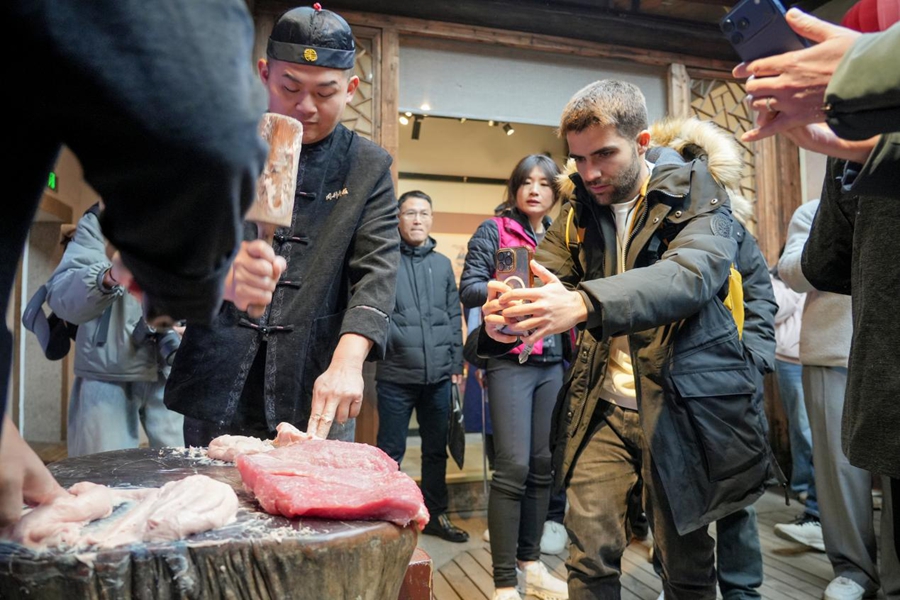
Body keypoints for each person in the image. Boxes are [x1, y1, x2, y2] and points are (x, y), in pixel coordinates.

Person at [480, 82, 773, 598]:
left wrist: (751, 362)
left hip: (685, 403)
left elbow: (691, 274)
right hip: (604, 403)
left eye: (604, 155)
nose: (589, 172)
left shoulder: (699, 193)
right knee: (588, 557)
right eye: (578, 159)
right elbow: (542, 273)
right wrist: (505, 317)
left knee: (684, 566)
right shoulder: (580, 209)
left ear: (641, 142)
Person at [2, 0, 268, 527]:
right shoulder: (96, 227)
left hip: (162, 379)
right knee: (99, 490)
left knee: (163, 502)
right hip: (106, 382)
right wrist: (171, 274)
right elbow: (204, 127)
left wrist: (214, 285)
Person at [166, 5, 401, 445]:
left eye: (325, 92)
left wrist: (349, 361)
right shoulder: (220, 145)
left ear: (351, 88)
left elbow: (377, 270)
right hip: (216, 371)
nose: (306, 106)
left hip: (314, 379)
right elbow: (180, 239)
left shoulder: (367, 166)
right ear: (263, 73)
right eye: (289, 87)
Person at [648, 187, 777, 600]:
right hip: (669, 384)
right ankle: (676, 579)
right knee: (673, 491)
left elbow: (760, 294)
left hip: (731, 381)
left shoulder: (732, 229)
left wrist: (753, 358)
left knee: (739, 490)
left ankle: (742, 589)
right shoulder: (653, 228)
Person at [460, 155, 569, 600]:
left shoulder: (565, 236)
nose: (535, 190)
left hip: (555, 360)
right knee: (513, 468)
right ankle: (505, 583)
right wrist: (498, 289)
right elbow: (468, 287)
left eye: (544, 183)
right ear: (515, 188)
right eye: (527, 182)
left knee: (543, 467)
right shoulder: (494, 230)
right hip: (511, 358)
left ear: (555, 192)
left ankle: (532, 565)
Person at [777, 200, 898, 600]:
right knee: (838, 468)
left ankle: (896, 578)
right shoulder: (814, 211)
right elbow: (791, 272)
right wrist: (847, 247)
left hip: (891, 350)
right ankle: (853, 570)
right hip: (833, 349)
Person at [45, 205, 185, 456]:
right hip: (106, 370)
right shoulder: (101, 218)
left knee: (185, 481)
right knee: (99, 479)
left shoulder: (196, 212)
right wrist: (108, 276)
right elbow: (60, 294)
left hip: (173, 369)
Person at [375, 190, 468, 543]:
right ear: (398, 218)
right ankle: (386, 520)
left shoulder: (443, 264)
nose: (417, 219)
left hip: (440, 378)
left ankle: (435, 515)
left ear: (431, 219)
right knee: (390, 452)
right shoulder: (385, 259)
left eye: (424, 213)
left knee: (435, 450)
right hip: (396, 375)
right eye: (410, 213)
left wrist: (456, 364)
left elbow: (451, 315)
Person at [770, 264, 813, 504]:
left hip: (815, 357)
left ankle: (816, 487)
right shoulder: (773, 281)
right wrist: (798, 286)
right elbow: (777, 311)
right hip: (789, 360)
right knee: (801, 425)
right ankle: (802, 484)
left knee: (815, 427)